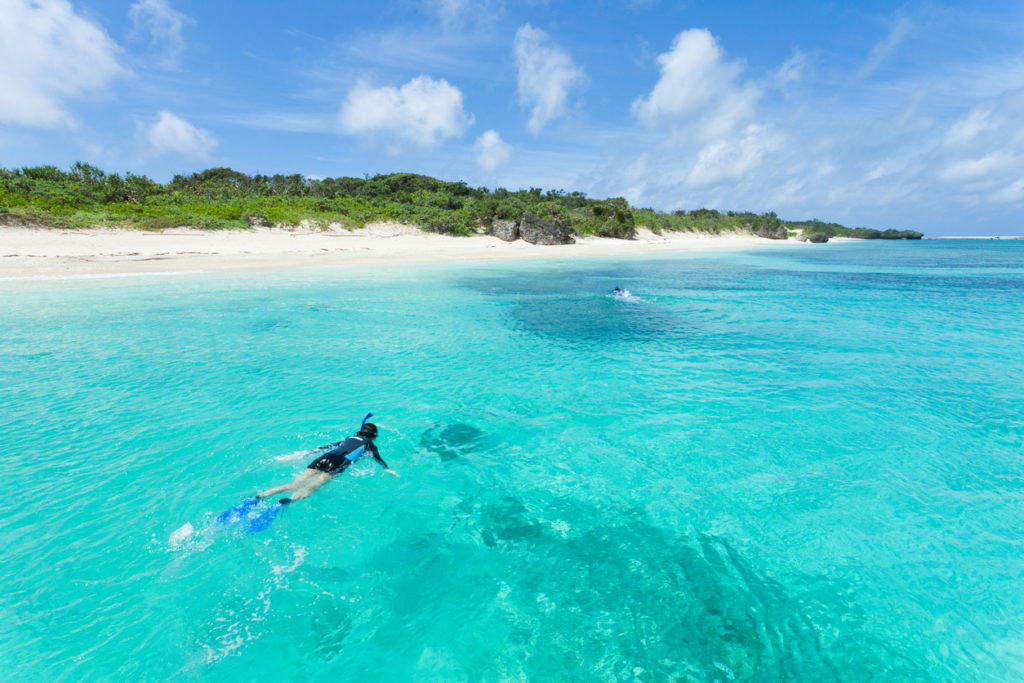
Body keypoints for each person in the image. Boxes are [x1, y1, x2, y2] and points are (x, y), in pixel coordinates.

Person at [257, 422, 399, 504]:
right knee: (311, 487)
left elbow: (327, 447)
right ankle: (287, 502)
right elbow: (378, 458)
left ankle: (261, 496)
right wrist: (387, 469)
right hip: (337, 462)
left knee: (295, 484)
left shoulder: (349, 437)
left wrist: (306, 453)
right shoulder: (369, 445)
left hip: (325, 457)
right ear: (373, 437)